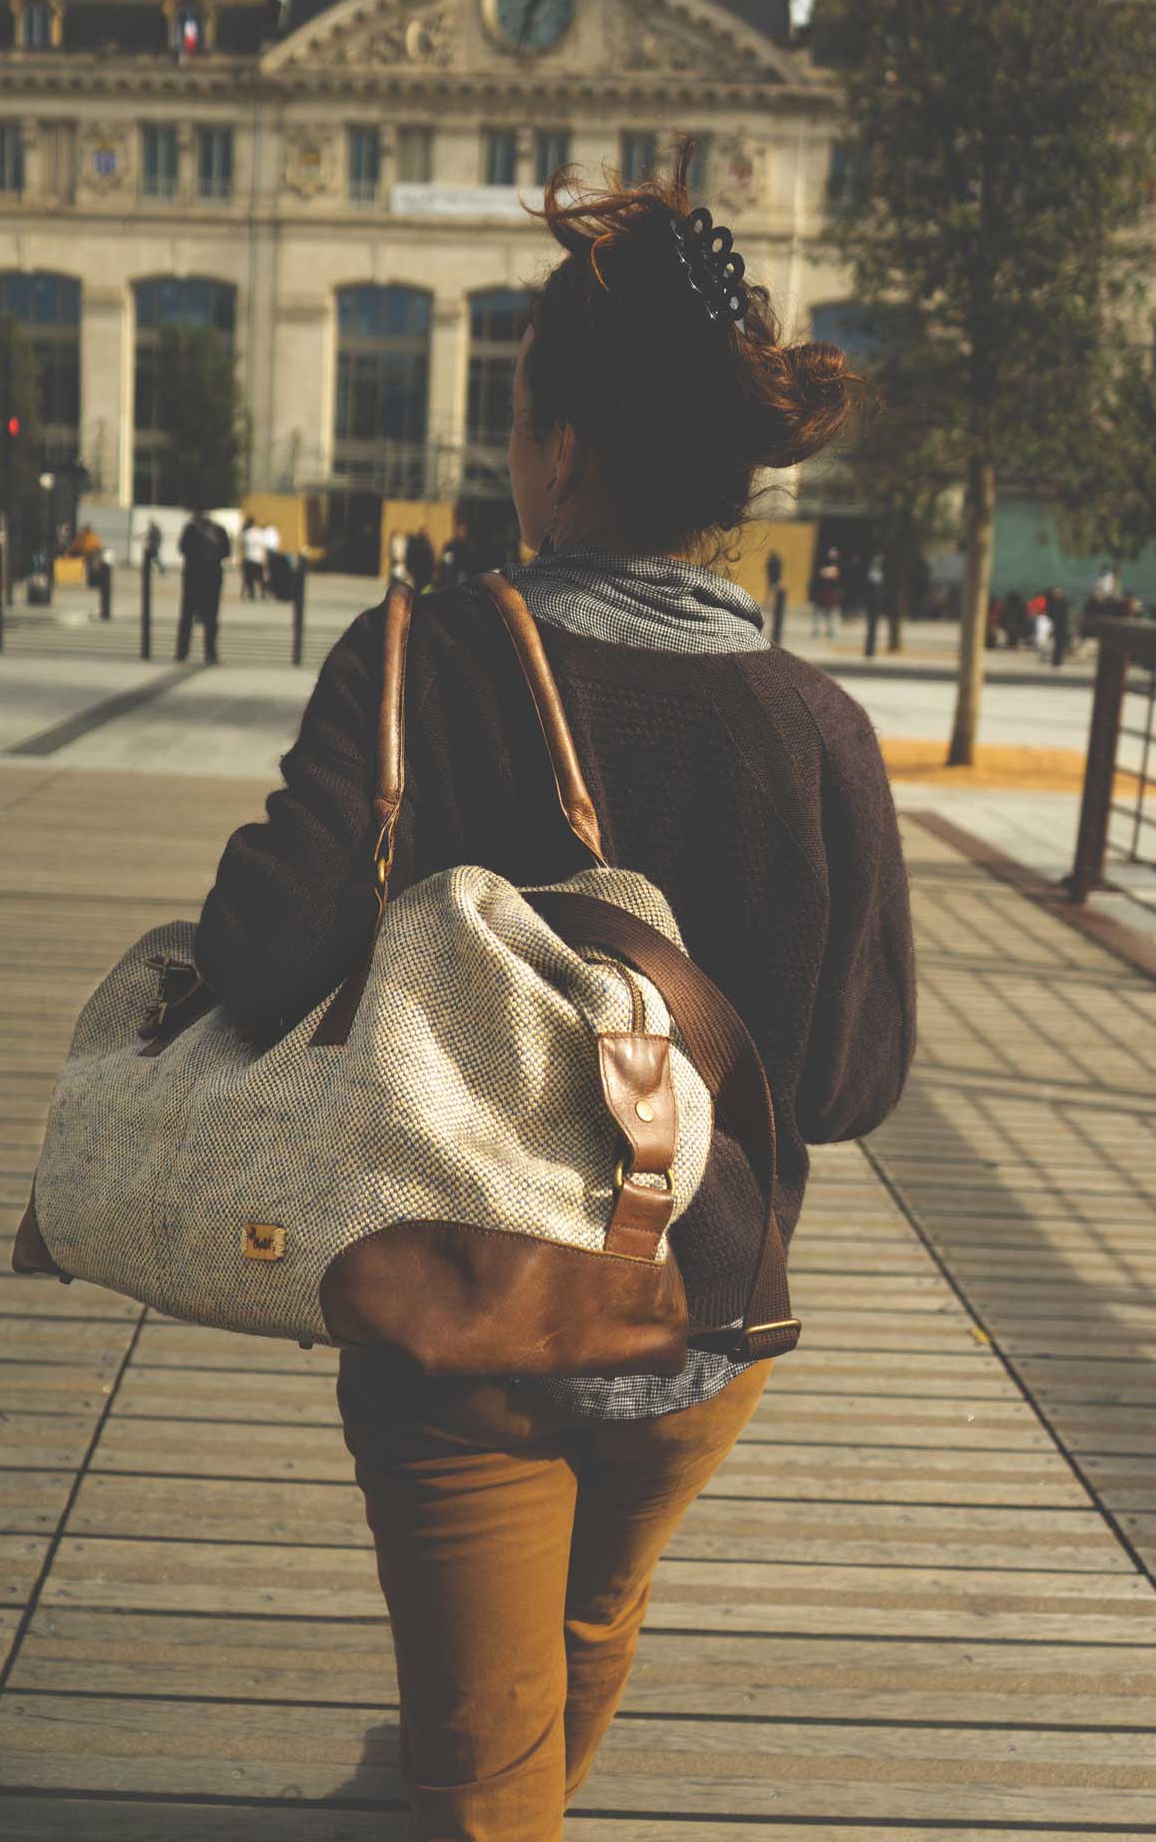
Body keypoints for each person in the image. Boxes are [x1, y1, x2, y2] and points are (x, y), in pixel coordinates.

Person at [193, 147, 917, 1839]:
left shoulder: (420, 656)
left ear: (561, 448)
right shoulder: (820, 732)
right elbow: (846, 1084)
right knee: (588, 1625)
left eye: (516, 416)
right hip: (703, 1319)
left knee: (476, 1764)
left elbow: (253, 960)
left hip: (462, 1314)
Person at [176, 507, 231, 664]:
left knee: (190, 616)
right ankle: (208, 652)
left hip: (196, 577)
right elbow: (226, 551)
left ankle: (184, 651)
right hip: (209, 577)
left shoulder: (191, 529)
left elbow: (183, 548)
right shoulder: (217, 530)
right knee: (208, 617)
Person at [810, 545, 842, 638]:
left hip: (830, 593)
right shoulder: (821, 564)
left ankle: (830, 631)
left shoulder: (838, 565)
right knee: (818, 612)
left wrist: (827, 573)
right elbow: (822, 574)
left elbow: (834, 575)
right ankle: (816, 630)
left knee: (830, 613)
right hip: (822, 592)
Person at [240, 518, 268, 601]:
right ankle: (263, 593)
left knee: (249, 578)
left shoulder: (246, 533)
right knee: (260, 578)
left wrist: (242, 557)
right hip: (258, 558)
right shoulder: (260, 533)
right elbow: (263, 547)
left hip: (249, 558)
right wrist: (264, 558)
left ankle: (252, 593)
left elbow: (242, 546)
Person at [404, 525, 436, 594]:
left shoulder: (428, 543)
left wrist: (433, 569)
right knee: (419, 589)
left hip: (427, 572)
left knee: (427, 589)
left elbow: (431, 558)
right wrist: (409, 569)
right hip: (419, 572)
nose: (427, 533)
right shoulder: (416, 543)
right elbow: (411, 556)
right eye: (425, 532)